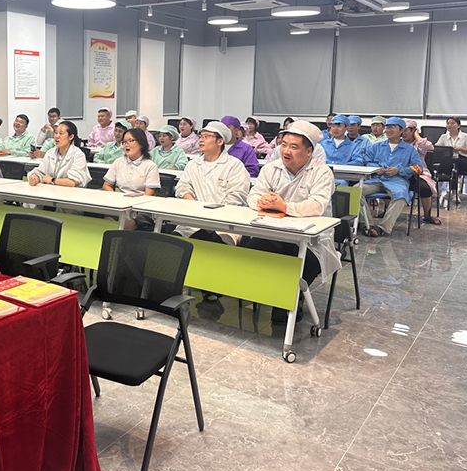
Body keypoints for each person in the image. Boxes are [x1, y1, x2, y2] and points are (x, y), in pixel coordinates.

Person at [246, 120, 341, 324]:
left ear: (309, 152)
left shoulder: (322, 172)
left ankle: (288, 302)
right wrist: (261, 201)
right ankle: (271, 295)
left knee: (304, 264)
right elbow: (253, 196)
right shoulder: (271, 168)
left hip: (312, 240)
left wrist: (284, 207)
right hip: (273, 232)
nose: (286, 151)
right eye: (284, 145)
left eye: (294, 147)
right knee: (248, 250)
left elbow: (317, 205)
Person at [175, 121, 250, 244]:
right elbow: (182, 187)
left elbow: (236, 197)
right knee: (175, 243)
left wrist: (212, 219)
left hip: (224, 224)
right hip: (194, 220)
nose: (201, 140)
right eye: (200, 136)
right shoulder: (193, 165)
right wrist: (194, 206)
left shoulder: (235, 166)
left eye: (207, 136)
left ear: (220, 142)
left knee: (215, 243)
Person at [360, 117, 420, 237]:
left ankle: (383, 228)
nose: (389, 130)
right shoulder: (376, 146)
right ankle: (367, 224)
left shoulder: (410, 150)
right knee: (356, 191)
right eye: (387, 127)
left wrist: (400, 170)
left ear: (401, 130)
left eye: (393, 127)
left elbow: (418, 168)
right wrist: (376, 168)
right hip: (376, 180)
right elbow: (366, 161)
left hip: (397, 181)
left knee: (401, 195)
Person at [103, 128, 160, 229]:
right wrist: (117, 198)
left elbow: (149, 194)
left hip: (141, 208)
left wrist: (133, 200)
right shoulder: (118, 162)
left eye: (130, 141)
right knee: (107, 223)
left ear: (141, 144)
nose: (126, 145)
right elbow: (106, 185)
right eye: (124, 142)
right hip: (120, 205)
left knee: (124, 225)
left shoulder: (150, 166)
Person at [27, 121, 89, 187]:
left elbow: (72, 182)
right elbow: (41, 172)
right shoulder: (50, 153)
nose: (56, 136)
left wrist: (52, 180)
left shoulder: (78, 155)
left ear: (71, 137)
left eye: (61, 133)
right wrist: (36, 178)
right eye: (56, 133)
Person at [402, 119, 440, 225]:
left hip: (418, 173)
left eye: (406, 130)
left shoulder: (418, 144)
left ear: (413, 130)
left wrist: (417, 135)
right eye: (401, 130)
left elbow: (429, 147)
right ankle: (386, 211)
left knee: (424, 188)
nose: (403, 133)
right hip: (400, 172)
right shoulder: (398, 143)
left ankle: (427, 216)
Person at [435, 116, 467, 203]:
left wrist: (460, 149)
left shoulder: (466, 136)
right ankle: (454, 194)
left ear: (458, 125)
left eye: (452, 123)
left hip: (464, 160)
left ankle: (441, 179)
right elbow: (437, 149)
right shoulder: (443, 137)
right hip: (450, 162)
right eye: (448, 123)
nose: (449, 125)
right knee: (453, 169)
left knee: (451, 164)